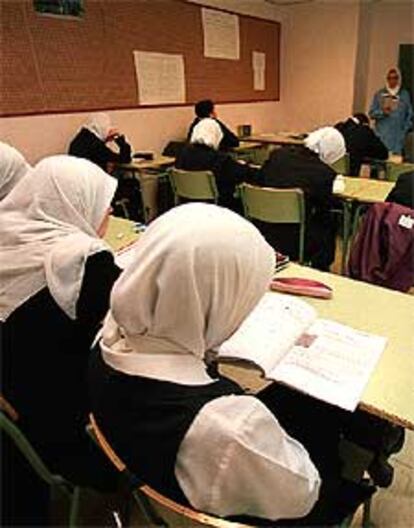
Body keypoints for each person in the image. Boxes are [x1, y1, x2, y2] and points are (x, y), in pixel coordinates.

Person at [89, 203, 375, 526]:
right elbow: (304, 494)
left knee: (307, 404)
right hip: (268, 501)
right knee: (347, 417)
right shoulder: (231, 429)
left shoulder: (109, 335)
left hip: (157, 464)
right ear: (206, 301)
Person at [0, 156, 121, 525]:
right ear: (75, 203)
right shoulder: (84, 262)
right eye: (103, 200)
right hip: (59, 433)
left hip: (12, 411)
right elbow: (131, 320)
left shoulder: (8, 232)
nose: (110, 208)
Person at [258, 127, 346, 270]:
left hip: (262, 229)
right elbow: (327, 206)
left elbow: (260, 180)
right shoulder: (324, 174)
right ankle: (321, 270)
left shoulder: (277, 156)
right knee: (329, 221)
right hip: (297, 238)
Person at [176, 118, 262, 210]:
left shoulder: (183, 155)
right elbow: (247, 174)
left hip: (187, 207)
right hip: (219, 209)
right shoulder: (219, 159)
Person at [369, 67, 413, 155]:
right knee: (379, 164)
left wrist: (404, 130)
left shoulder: (404, 95)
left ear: (398, 79)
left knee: (394, 165)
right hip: (382, 137)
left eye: (395, 78)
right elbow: (371, 113)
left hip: (397, 139)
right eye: (390, 78)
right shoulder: (379, 95)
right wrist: (382, 112)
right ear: (387, 79)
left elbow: (410, 115)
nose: (392, 80)